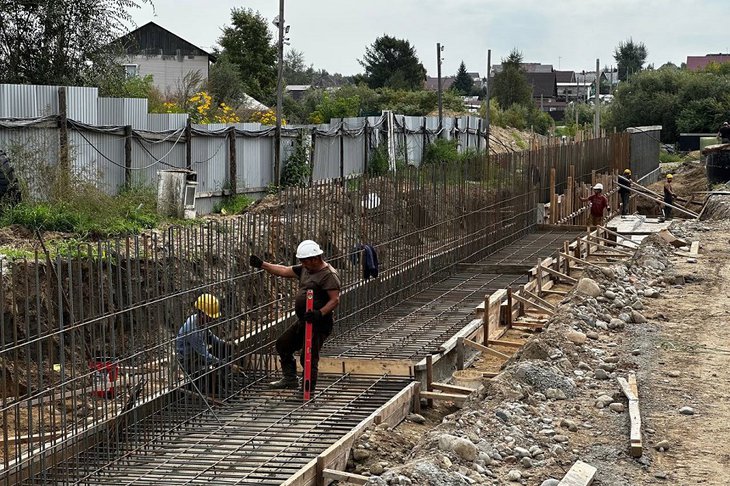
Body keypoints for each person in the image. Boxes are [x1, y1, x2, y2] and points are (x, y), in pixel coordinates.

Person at [250, 240, 341, 394]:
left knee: (309, 356)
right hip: (304, 320)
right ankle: (290, 378)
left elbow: (335, 300)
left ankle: (307, 391)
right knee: (283, 345)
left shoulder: (328, 275)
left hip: (319, 324)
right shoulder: (306, 269)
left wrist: (319, 313)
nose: (303, 264)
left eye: (305, 261)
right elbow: (285, 271)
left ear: (315, 258)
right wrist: (262, 265)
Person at [176, 293, 239, 393]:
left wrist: (224, 344)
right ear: (201, 313)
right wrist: (226, 365)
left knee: (226, 348)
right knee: (213, 383)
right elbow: (204, 356)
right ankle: (214, 384)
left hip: (199, 356)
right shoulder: (192, 330)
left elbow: (210, 338)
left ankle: (223, 377)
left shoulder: (200, 321)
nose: (212, 319)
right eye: (210, 316)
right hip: (190, 362)